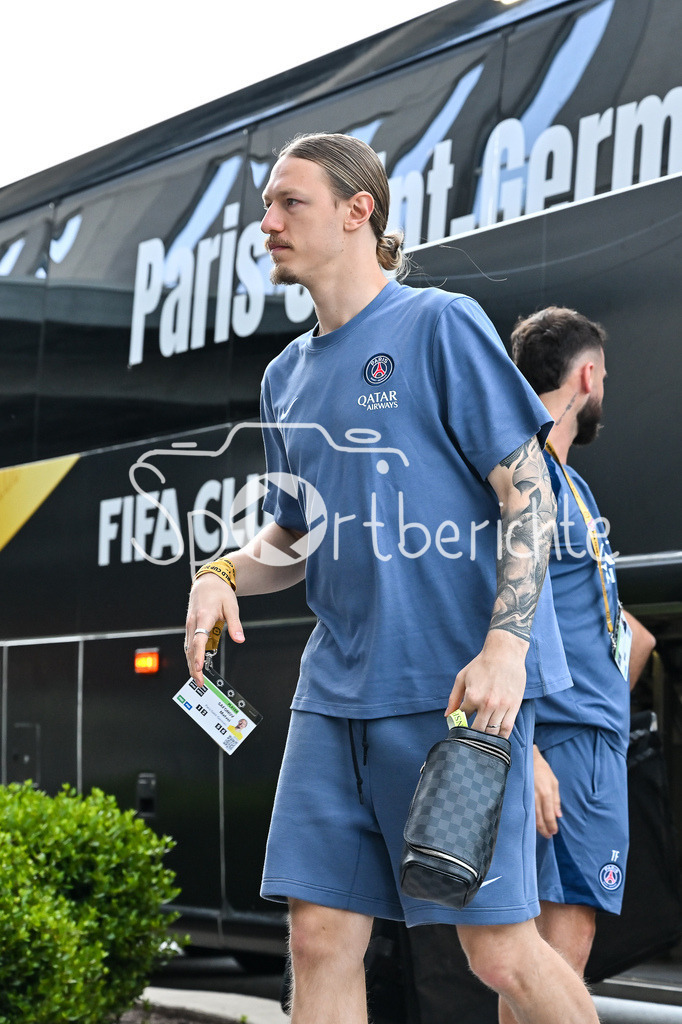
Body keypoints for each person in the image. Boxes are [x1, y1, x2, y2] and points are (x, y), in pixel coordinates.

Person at [185, 133, 600, 1024]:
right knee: (319, 937)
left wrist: (505, 647)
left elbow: (531, 494)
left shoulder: (438, 325)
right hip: (334, 695)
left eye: (289, 202)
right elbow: (294, 535)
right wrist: (221, 570)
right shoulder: (284, 377)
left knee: (497, 950)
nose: (268, 223)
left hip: (455, 692)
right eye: (265, 206)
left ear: (357, 209)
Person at [503, 307, 657, 1020]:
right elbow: (495, 609)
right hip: (560, 743)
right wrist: (524, 747)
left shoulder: (571, 483)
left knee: (539, 957)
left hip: (587, 739)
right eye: (606, 380)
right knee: (552, 956)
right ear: (587, 376)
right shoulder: (528, 471)